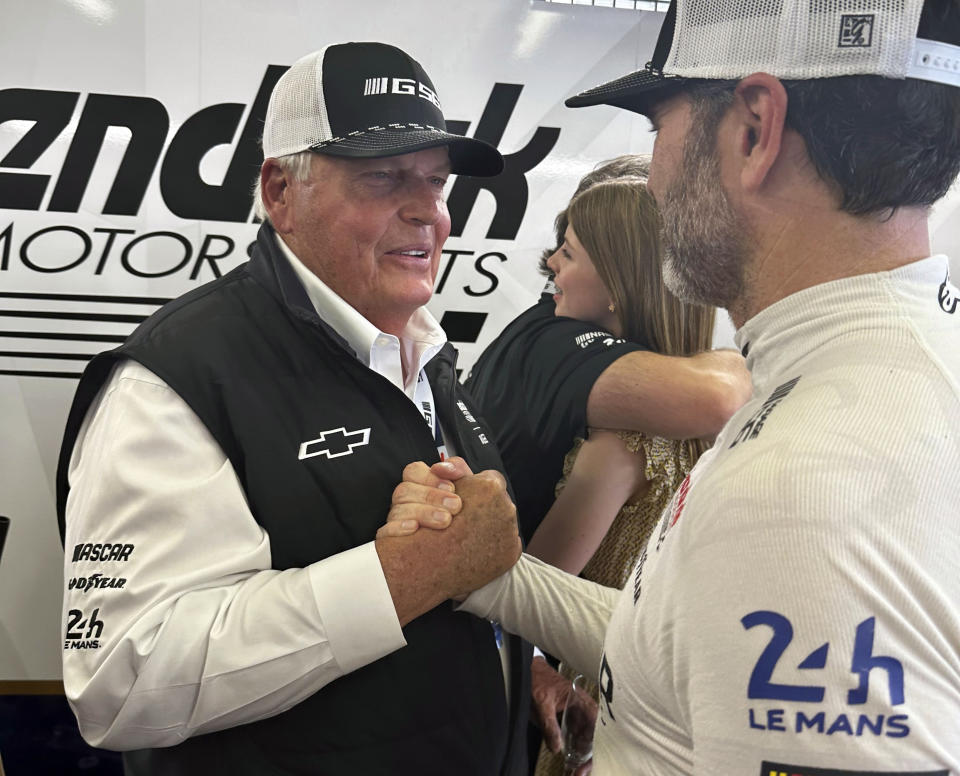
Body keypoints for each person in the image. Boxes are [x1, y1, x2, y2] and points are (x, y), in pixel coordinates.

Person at [385, 0, 960, 772]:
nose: (652, 180)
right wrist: (492, 577)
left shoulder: (811, 484)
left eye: (658, 129)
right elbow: (680, 643)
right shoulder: (852, 390)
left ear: (754, 130)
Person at [55, 42, 529, 776]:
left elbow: (462, 578)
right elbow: (121, 681)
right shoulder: (178, 375)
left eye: (435, 182)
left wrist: (529, 673)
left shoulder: (427, 350)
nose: (427, 212)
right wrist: (398, 576)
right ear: (280, 191)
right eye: (384, 178)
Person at [526, 177, 715, 776]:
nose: (551, 261)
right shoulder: (714, 423)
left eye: (571, 252)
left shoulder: (623, 444)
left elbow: (526, 592)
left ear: (617, 287)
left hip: (581, 717)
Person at [465, 156, 750, 545]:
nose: (550, 264)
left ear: (620, 277)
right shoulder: (552, 340)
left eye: (568, 252)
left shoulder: (644, 420)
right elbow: (529, 590)